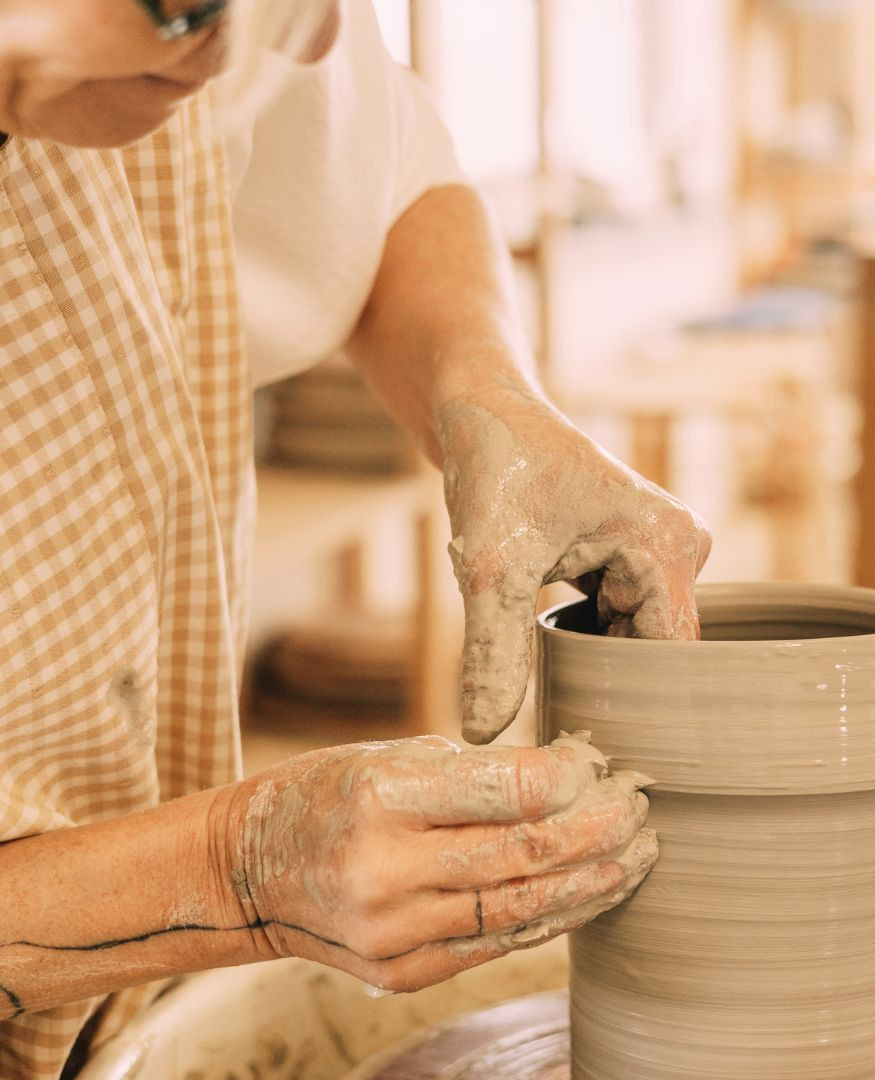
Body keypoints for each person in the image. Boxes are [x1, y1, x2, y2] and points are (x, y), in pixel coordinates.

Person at [0, 1, 711, 1077]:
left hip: (113, 1008)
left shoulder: (229, 39)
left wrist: (486, 391)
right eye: (187, 2)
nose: (317, 43)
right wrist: (227, 875)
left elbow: (388, 186)